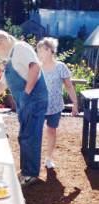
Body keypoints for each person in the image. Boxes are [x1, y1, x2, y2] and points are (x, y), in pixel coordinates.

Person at [0, 30, 48, 186]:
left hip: (34, 100)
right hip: (26, 102)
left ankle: (30, 174)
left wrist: (26, 93)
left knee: (30, 136)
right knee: (24, 136)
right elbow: (2, 84)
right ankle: (26, 170)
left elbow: (35, 68)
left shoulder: (21, 48)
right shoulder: (10, 59)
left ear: (1, 42)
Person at [37, 37, 78, 169]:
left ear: (49, 50)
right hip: (39, 106)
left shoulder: (61, 67)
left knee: (51, 131)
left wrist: (75, 103)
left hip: (55, 106)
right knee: (35, 132)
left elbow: (69, 86)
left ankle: (48, 159)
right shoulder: (36, 67)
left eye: (40, 50)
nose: (38, 53)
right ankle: (34, 159)